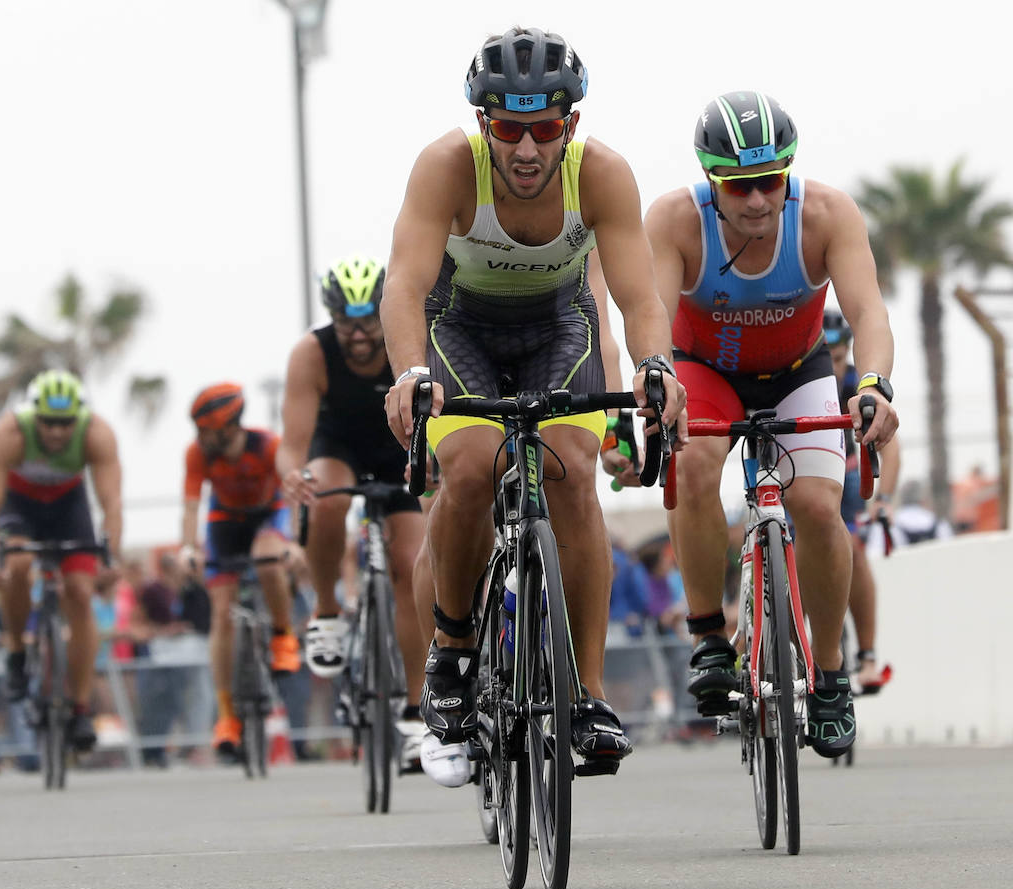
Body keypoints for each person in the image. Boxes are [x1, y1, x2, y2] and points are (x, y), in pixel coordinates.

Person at [379, 27, 686, 785]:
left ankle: (586, 696)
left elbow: (640, 298)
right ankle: (450, 654)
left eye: (543, 128)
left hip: (557, 325)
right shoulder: (447, 166)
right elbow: (404, 288)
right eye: (507, 128)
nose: (524, 149)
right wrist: (410, 373)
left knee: (575, 475)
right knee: (471, 468)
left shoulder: (602, 174)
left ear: (569, 126)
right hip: (463, 329)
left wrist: (654, 370)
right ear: (484, 123)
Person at [645, 91, 899, 758]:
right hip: (705, 370)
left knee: (818, 507)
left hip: (798, 369)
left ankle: (834, 672)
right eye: (738, 184)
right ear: (710, 179)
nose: (757, 200)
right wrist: (652, 386)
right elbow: (649, 322)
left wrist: (872, 385)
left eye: (770, 181)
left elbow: (869, 313)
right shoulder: (675, 220)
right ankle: (707, 639)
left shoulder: (824, 214)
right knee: (695, 463)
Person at [276, 255, 430, 772]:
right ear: (332, 318)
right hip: (336, 447)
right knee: (326, 497)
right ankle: (326, 614)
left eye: (368, 323)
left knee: (411, 566)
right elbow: (292, 444)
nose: (360, 336)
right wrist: (293, 474)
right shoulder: (312, 354)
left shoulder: (407, 339)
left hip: (398, 449)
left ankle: (415, 713)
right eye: (348, 324)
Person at [0, 369, 122, 753]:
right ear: (33, 415)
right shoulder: (9, 435)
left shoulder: (97, 435)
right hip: (19, 508)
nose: (57, 432)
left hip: (67, 507)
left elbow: (111, 503)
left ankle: (80, 705)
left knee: (79, 593)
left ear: (78, 418)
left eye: (65, 423)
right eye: (49, 423)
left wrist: (113, 555)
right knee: (18, 566)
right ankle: (17, 651)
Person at [179, 382, 300, 761]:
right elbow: (191, 505)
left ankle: (283, 636)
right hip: (225, 522)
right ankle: (227, 716)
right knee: (221, 613)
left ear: (230, 426)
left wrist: (293, 542)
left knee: (267, 557)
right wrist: (188, 549)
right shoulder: (198, 454)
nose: (200, 438)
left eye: (206, 430)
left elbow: (293, 495)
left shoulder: (267, 446)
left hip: (269, 514)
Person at [825, 310, 901, 692]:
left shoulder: (857, 385)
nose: (834, 369)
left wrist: (883, 500)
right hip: (802, 467)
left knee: (854, 548)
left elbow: (892, 449)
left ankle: (867, 655)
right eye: (826, 361)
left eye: (839, 360)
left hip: (849, 478)